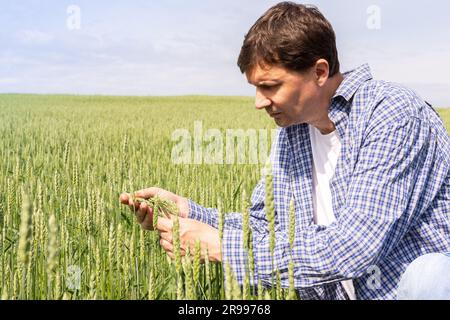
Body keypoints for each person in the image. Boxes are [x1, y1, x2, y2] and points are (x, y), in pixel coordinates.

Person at [120, 2, 450, 300]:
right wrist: (190, 214)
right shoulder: (293, 135)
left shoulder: (391, 114)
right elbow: (266, 229)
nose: (258, 102)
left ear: (319, 72)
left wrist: (224, 249)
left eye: (270, 86)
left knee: (431, 274)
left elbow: (355, 247)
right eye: (256, 88)